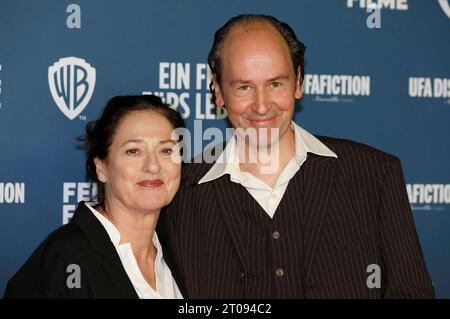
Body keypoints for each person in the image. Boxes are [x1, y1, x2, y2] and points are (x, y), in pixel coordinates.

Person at [158, 14, 435, 298]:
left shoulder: (373, 173)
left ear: (298, 81)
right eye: (244, 87)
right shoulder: (178, 193)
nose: (262, 106)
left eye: (275, 84)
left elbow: (412, 293)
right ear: (218, 92)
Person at [4, 95, 185, 298]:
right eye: (134, 151)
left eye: (166, 150)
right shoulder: (66, 256)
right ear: (101, 168)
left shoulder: (185, 256)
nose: (153, 166)